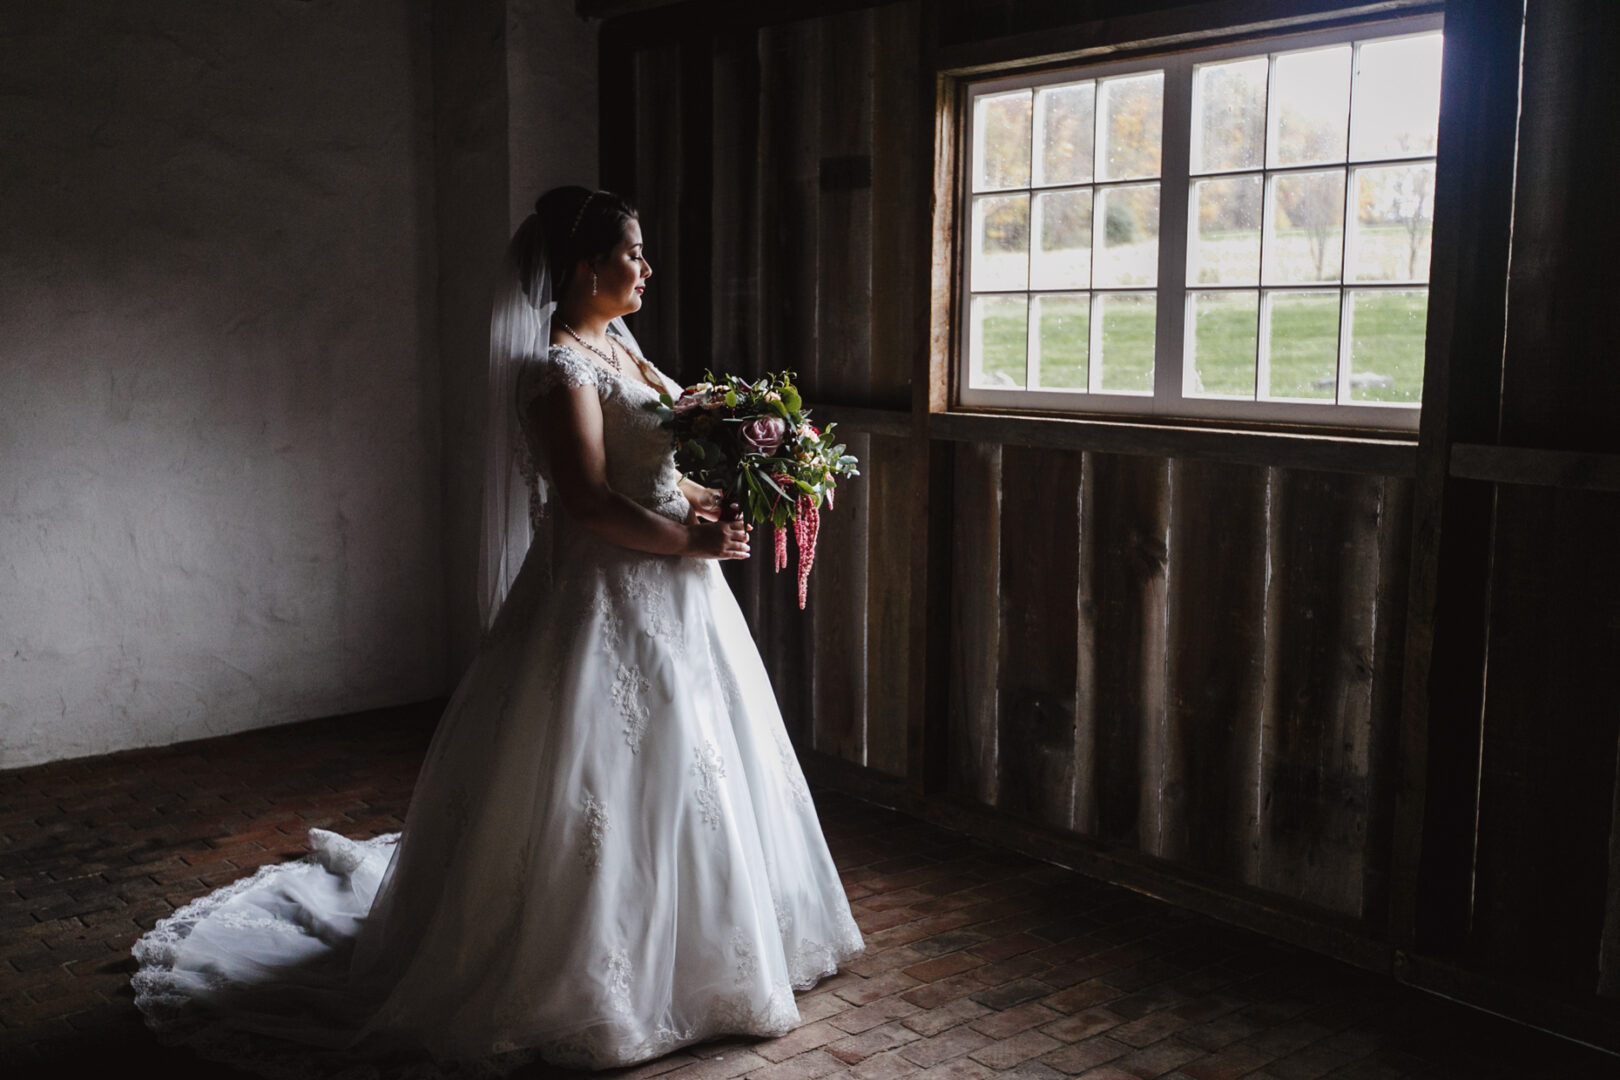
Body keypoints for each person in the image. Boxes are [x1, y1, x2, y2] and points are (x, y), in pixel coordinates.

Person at [130, 186, 864, 1075]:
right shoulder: (557, 370)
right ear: (586, 267)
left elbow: (655, 471)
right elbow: (589, 503)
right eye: (632, 253)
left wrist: (726, 494)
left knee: (701, 763)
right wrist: (692, 537)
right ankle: (592, 978)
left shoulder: (620, 345)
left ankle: (715, 950)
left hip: (680, 588)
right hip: (607, 592)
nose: (646, 268)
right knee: (593, 773)